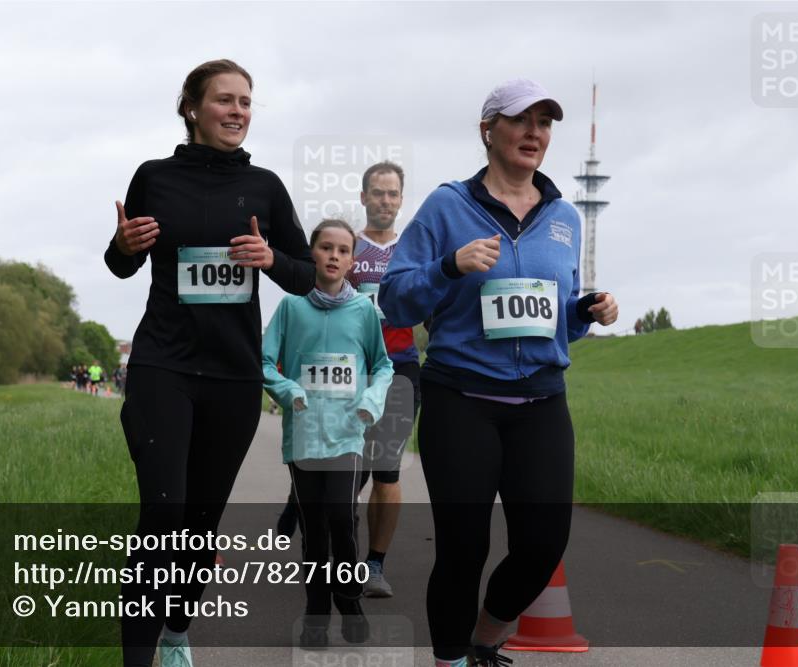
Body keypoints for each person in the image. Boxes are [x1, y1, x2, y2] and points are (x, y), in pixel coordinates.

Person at [379, 79, 619, 667]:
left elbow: (553, 315)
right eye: (522, 120)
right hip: (461, 397)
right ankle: (451, 658)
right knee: (463, 546)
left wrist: (584, 312)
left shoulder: (564, 216)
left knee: (542, 546)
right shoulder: (446, 206)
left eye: (545, 123)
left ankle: (486, 635)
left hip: (541, 401)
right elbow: (396, 300)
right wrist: (448, 267)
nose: (535, 133)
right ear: (489, 131)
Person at [104, 59, 315, 667]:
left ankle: (176, 629)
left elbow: (305, 277)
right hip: (163, 366)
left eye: (246, 102)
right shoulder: (154, 177)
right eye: (225, 100)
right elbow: (122, 264)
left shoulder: (267, 188)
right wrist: (122, 246)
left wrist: (270, 257)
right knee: (163, 513)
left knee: (197, 528)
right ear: (192, 108)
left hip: (232, 374)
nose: (238, 112)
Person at [262, 219, 394, 649]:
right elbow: (263, 363)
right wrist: (289, 390)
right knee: (313, 529)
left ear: (353, 261)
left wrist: (370, 402)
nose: (334, 256)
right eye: (326, 248)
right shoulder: (290, 307)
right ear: (312, 254)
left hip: (346, 433)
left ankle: (349, 598)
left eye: (343, 250)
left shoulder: (364, 312)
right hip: (302, 435)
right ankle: (316, 614)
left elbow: (383, 366)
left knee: (341, 517)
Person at [346, 161, 420, 598]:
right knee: (345, 473)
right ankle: (337, 555)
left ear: (401, 200)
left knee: (386, 473)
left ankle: (374, 565)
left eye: (393, 194)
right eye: (378, 193)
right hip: (348, 371)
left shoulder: (412, 251)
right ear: (364, 197)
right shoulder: (346, 246)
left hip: (400, 367)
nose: (385, 201)